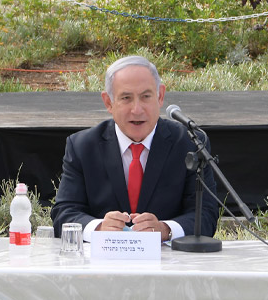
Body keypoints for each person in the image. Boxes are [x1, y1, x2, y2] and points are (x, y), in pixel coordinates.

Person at [51, 55, 218, 241]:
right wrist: (99, 228)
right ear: (109, 102)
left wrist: (165, 230)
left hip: (169, 263)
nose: (137, 109)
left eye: (146, 97)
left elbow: (206, 215)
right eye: (126, 98)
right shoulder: (83, 146)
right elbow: (64, 214)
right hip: (102, 264)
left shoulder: (189, 143)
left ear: (160, 96)